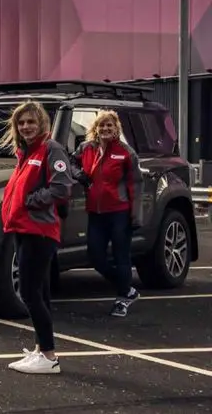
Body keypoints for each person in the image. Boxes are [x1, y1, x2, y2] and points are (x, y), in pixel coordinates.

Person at [0, 100, 72, 375]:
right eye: (21, 122)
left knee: (29, 292)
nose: (26, 126)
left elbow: (62, 188)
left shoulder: (51, 150)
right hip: (22, 228)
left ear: (42, 123)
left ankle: (49, 356)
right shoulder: (25, 152)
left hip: (39, 231)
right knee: (39, 292)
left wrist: (32, 201)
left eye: (31, 121)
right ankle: (42, 349)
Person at [73, 109, 142, 317]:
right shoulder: (86, 148)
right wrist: (79, 174)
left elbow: (136, 184)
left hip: (119, 212)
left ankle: (122, 298)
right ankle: (127, 288)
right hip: (96, 212)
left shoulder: (126, 152)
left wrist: (136, 215)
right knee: (95, 257)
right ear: (96, 128)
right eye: (101, 125)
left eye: (109, 125)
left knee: (122, 256)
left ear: (116, 128)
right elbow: (70, 163)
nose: (105, 129)